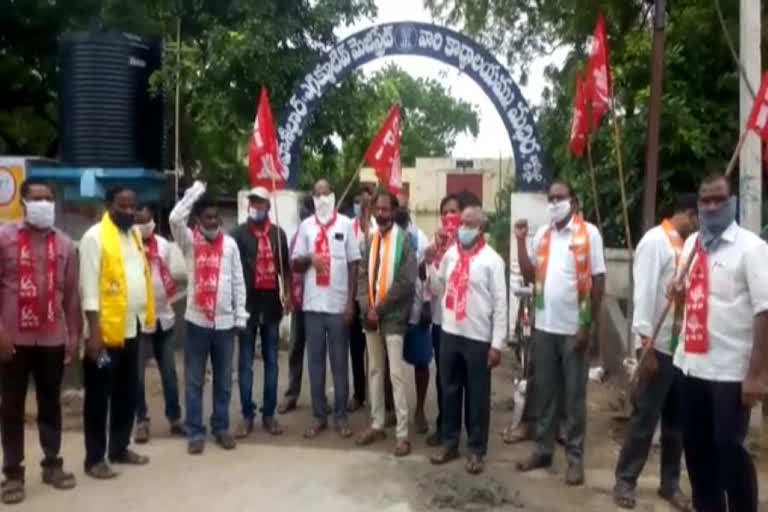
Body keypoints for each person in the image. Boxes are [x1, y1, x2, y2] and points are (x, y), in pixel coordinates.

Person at [672, 174, 767, 512]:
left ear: (733, 202)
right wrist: (677, 293)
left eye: (719, 200)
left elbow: (764, 312)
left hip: (730, 372)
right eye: (705, 200)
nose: (711, 206)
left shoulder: (752, 249)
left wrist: (757, 375)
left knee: (728, 451)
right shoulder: (692, 245)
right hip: (690, 366)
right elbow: (688, 303)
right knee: (697, 456)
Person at [515, 180, 606, 486]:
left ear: (573, 201)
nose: (554, 202)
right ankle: (542, 450)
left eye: (560, 197)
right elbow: (530, 276)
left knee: (574, 398)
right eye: (550, 198)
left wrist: (587, 325)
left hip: (573, 329)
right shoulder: (542, 234)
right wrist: (519, 241)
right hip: (544, 327)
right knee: (545, 392)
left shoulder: (588, 234)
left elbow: (598, 280)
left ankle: (575, 459)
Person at [612, 194, 698, 510]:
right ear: (689, 214)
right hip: (657, 346)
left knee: (676, 422)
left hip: (682, 349)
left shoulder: (689, 247)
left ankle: (670, 483)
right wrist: (643, 345)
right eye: (698, 218)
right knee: (644, 418)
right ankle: (625, 480)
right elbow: (644, 293)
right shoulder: (655, 242)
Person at [0, 180, 80, 504]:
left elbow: (72, 295)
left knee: (50, 403)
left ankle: (52, 464)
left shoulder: (65, 244)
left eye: (49, 198)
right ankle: (13, 474)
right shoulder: (4, 238)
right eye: (37, 198)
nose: (44, 203)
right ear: (23, 201)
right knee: (11, 407)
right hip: (12, 338)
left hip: (52, 337)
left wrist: (74, 336)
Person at [79, 185, 153, 479]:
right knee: (99, 396)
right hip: (104, 333)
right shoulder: (94, 238)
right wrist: (94, 332)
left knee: (127, 392)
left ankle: (119, 448)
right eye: (123, 206)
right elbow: (88, 288)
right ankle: (94, 458)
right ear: (109, 205)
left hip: (132, 326)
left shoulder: (134, 235)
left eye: (133, 207)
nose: (130, 212)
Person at [427, 206, 507, 475]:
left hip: (477, 338)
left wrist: (496, 344)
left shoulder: (492, 260)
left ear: (480, 228)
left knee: (477, 396)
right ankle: (450, 442)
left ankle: (476, 448)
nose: (463, 227)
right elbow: (437, 289)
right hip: (450, 332)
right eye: (462, 222)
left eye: (469, 224)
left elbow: (500, 305)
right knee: (449, 390)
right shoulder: (450, 255)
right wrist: (431, 262)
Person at [169, 181, 248, 455]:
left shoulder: (230, 246)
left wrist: (240, 317)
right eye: (207, 217)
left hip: (225, 324)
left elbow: (238, 282)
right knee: (194, 380)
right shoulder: (190, 242)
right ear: (199, 220)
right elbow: (174, 218)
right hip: (197, 321)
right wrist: (194, 193)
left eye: (216, 217)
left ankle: (221, 427)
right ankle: (195, 432)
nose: (213, 221)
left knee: (224, 380)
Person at [291, 179, 360, 439]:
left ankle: (341, 416)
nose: (321, 198)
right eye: (317, 194)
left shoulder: (345, 225)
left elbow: (354, 265)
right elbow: (295, 264)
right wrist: (310, 258)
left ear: (332, 195)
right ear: (313, 197)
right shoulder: (306, 227)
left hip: (338, 306)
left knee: (340, 363)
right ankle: (319, 416)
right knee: (315, 364)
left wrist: (350, 303)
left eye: (325, 193)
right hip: (312, 306)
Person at [355, 192, 417, 456]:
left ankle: (402, 434)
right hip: (371, 318)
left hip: (392, 319)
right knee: (375, 372)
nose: (380, 213)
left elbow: (406, 282)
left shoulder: (404, 240)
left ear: (393, 211)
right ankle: (377, 423)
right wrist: (365, 306)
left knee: (395, 375)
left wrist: (378, 309)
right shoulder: (372, 239)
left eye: (385, 209)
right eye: (377, 209)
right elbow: (362, 276)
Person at [231, 186, 291, 438]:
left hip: (271, 306)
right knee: (245, 363)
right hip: (246, 307)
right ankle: (247, 415)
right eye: (253, 202)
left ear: (268, 206)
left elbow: (286, 270)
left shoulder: (278, 235)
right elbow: (232, 273)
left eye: (261, 203)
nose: (257, 207)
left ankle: (269, 415)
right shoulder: (237, 235)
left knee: (272, 363)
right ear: (248, 205)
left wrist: (287, 293)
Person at [133, 204, 185, 444]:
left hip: (164, 317)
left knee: (170, 374)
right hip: (139, 320)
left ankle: (174, 418)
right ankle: (141, 421)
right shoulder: (129, 244)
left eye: (148, 220)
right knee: (138, 376)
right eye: (140, 220)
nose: (145, 224)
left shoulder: (164, 245)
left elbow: (169, 276)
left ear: (153, 220)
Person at [425, 194, 463, 446]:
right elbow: (431, 285)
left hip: (465, 325)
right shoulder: (434, 243)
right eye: (446, 212)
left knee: (464, 380)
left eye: (454, 212)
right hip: (441, 322)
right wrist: (431, 258)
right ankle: (443, 426)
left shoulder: (468, 245)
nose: (450, 217)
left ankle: (464, 431)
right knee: (443, 379)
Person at [395, 192, 432, 434]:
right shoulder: (382, 236)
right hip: (392, 312)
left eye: (402, 205)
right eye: (394, 204)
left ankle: (419, 411)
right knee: (391, 365)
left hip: (417, 311)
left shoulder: (420, 238)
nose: (399, 209)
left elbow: (426, 273)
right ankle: (391, 409)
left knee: (421, 362)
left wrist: (427, 303)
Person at [278, 195, 315, 414]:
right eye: (302, 211)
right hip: (300, 303)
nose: (303, 215)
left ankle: (319, 399)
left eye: (306, 211)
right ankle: (291, 394)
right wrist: (288, 294)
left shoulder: (321, 236)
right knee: (295, 350)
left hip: (317, 304)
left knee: (317, 354)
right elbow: (289, 270)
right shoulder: (295, 238)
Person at [349, 186, 376, 411]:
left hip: (374, 301)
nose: (362, 205)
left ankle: (379, 399)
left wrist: (368, 222)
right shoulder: (348, 227)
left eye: (366, 202)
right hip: (354, 297)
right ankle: (359, 394)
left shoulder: (378, 228)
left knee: (376, 354)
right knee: (356, 351)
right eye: (359, 201)